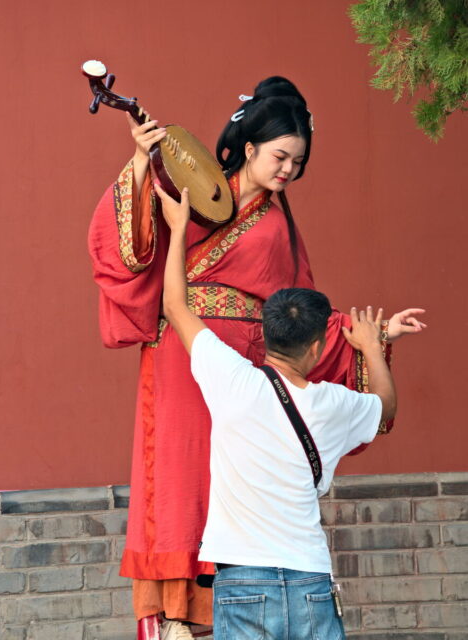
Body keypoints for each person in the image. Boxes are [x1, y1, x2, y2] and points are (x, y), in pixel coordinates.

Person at [88, 76, 425, 639]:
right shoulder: (197, 184)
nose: (288, 170)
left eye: (298, 161)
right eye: (280, 156)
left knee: (233, 477)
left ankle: (223, 607)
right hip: (184, 349)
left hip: (244, 363)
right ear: (249, 148)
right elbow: (135, 242)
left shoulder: (279, 227)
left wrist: (376, 333)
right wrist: (144, 161)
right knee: (180, 478)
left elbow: (302, 311)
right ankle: (173, 618)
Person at [157, 183, 397, 639]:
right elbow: (385, 412)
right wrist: (371, 349)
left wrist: (180, 228)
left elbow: (174, 306)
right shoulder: (332, 402)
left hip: (241, 579)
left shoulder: (232, 381)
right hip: (309, 578)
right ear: (316, 346)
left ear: (265, 334)